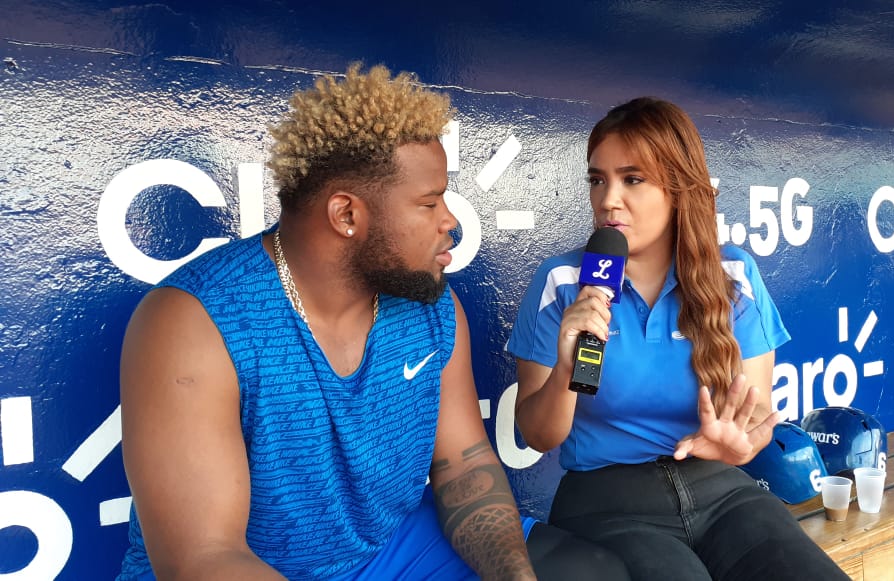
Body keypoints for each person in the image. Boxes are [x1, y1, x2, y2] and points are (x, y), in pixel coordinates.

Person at [118, 64, 627, 581]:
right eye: (428, 203)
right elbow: (204, 558)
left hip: (390, 549)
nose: (450, 221)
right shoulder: (193, 319)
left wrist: (515, 577)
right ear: (346, 215)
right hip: (258, 567)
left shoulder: (431, 304)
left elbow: (464, 468)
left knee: (589, 574)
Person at [507, 97, 850, 580]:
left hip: (722, 491)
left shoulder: (734, 274)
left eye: (632, 179)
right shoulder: (562, 282)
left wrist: (737, 448)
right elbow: (539, 435)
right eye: (597, 180)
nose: (608, 199)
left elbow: (755, 418)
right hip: (605, 502)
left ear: (677, 188)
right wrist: (567, 367)